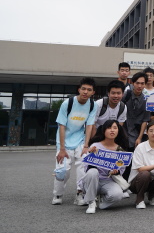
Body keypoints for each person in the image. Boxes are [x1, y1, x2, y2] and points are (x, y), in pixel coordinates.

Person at [52, 77, 98, 206]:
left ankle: (80, 194)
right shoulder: (68, 103)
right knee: (62, 170)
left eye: (89, 90)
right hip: (64, 142)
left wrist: (86, 145)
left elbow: (89, 125)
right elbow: (61, 126)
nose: (85, 92)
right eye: (83, 89)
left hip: (80, 141)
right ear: (79, 89)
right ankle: (58, 194)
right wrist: (62, 149)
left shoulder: (93, 105)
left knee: (83, 167)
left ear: (93, 92)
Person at [79, 120, 129, 214]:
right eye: (109, 128)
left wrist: (116, 172)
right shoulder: (95, 146)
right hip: (93, 180)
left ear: (118, 131)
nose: (112, 130)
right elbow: (86, 168)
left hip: (108, 181)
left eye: (115, 128)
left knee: (118, 195)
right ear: (104, 130)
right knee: (93, 172)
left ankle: (103, 201)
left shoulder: (120, 149)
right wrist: (92, 155)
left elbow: (122, 169)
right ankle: (91, 202)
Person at [122, 72, 151, 151]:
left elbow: (145, 120)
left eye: (142, 83)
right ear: (133, 83)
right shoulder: (126, 95)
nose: (139, 86)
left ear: (145, 84)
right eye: (137, 83)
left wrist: (139, 138)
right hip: (124, 132)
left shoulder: (147, 100)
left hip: (137, 134)